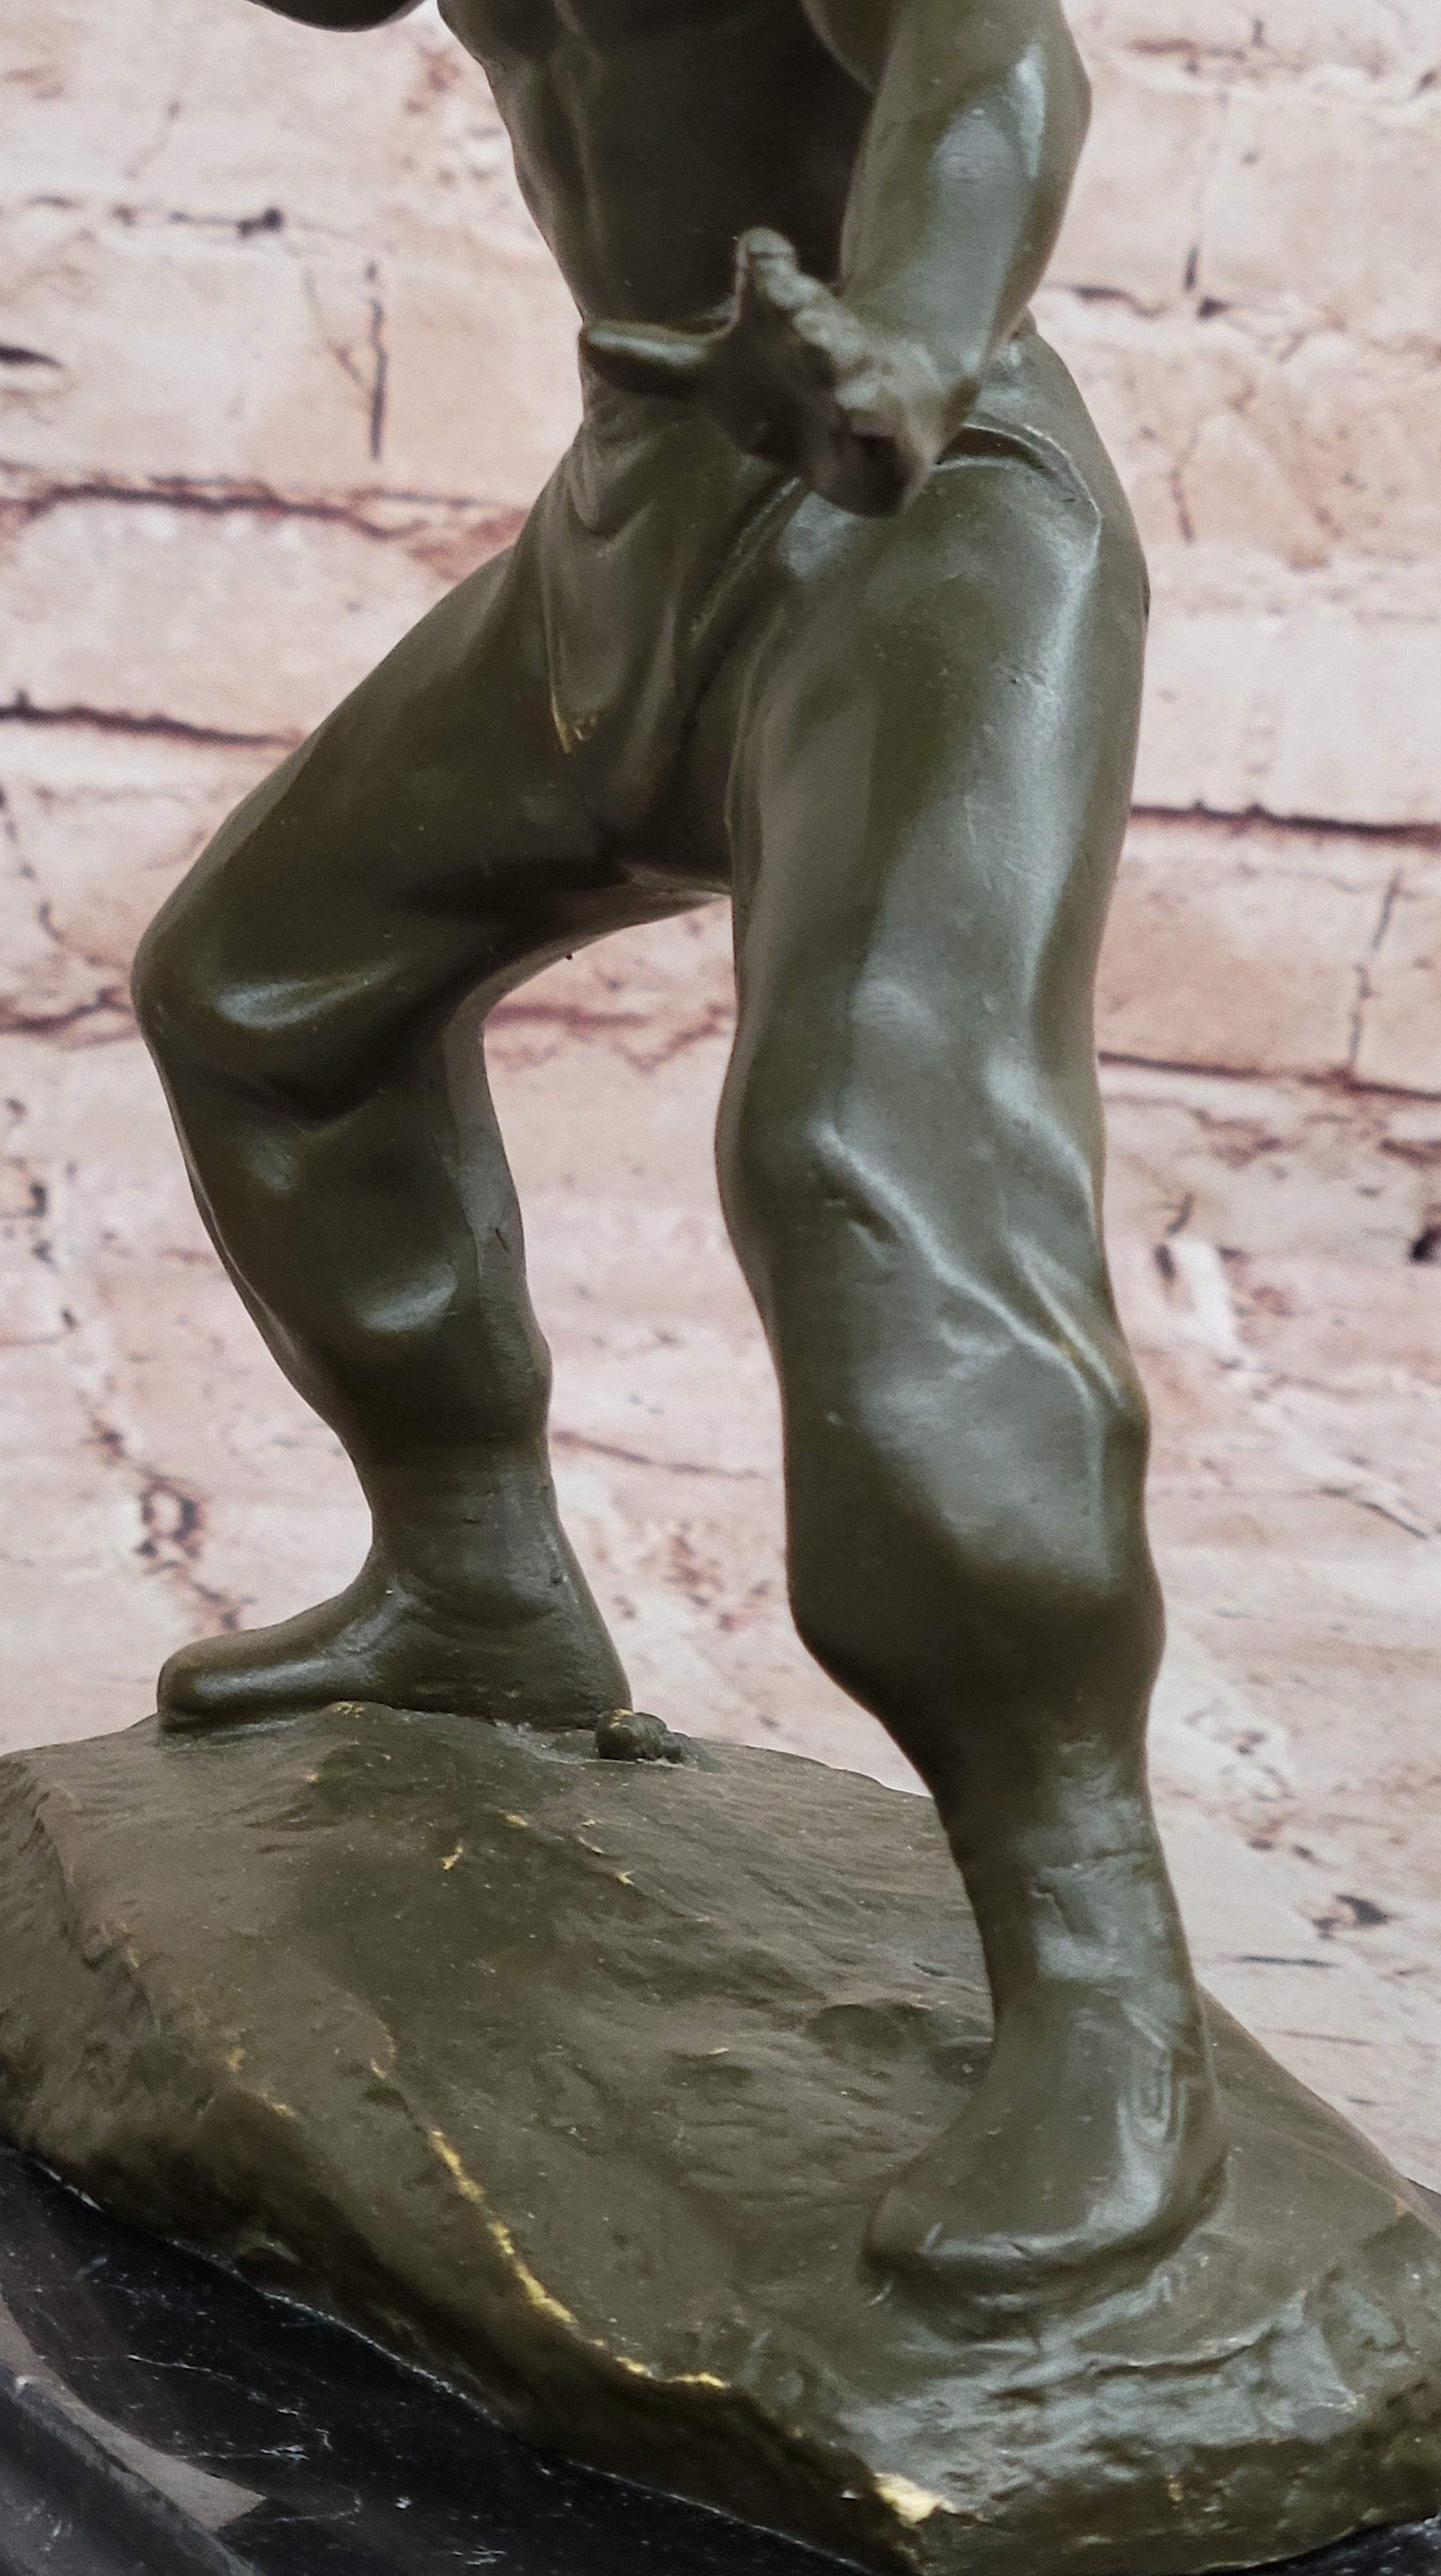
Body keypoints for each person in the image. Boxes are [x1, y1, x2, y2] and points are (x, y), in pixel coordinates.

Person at [131, 0, 1225, 2303]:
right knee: (260, 994)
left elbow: (989, 58)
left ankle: (1100, 1971)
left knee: (870, 1150)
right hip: (632, 517)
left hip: (918, 510)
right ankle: (478, 1596)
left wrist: (912, 339)